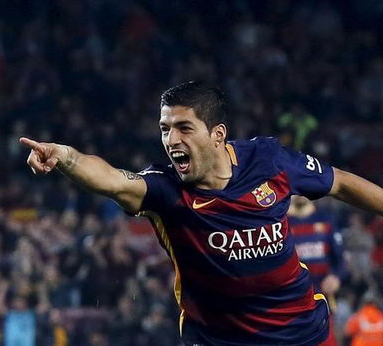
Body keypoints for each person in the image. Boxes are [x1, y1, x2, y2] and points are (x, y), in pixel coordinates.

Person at [20, 81, 383, 345]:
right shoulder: (165, 191)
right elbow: (114, 181)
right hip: (217, 339)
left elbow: (340, 183)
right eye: (165, 129)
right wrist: (66, 157)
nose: (171, 140)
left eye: (184, 128)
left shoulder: (269, 161)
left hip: (302, 331)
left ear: (217, 134)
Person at [288, 196, 344, 345]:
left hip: (322, 298)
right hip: (292, 300)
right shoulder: (282, 223)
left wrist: (336, 277)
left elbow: (340, 259)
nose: (300, 193)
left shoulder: (326, 219)